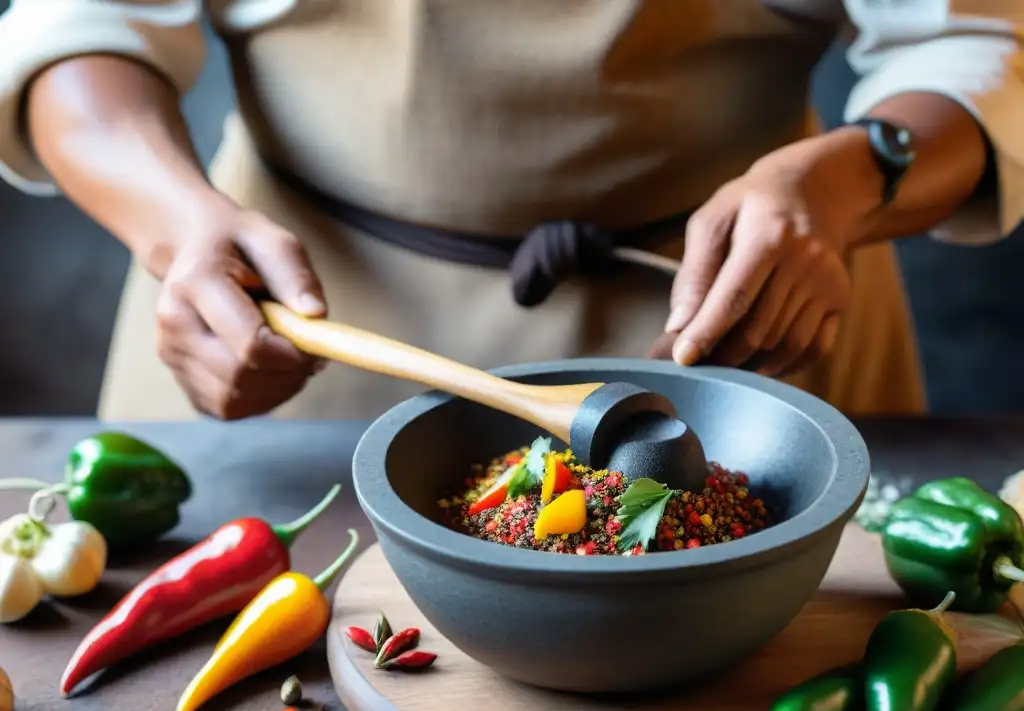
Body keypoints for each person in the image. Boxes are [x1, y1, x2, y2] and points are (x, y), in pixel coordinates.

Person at [0, 1, 1020, 422]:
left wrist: (843, 182)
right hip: (299, 331)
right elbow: (78, 27)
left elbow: (971, 42)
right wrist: (176, 227)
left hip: (749, 327)